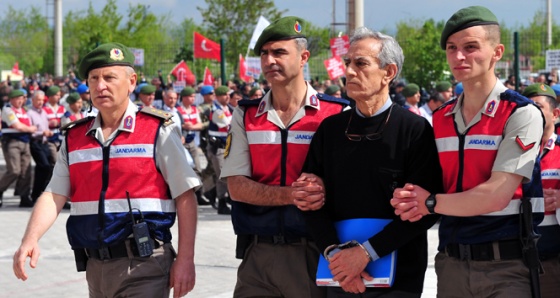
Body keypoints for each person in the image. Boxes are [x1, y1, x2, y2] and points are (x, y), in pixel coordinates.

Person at [13, 42, 200, 298]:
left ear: (131, 82)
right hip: (95, 268)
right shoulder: (75, 136)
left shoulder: (158, 130)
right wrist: (30, 239)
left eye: (110, 77)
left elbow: (185, 196)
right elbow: (54, 194)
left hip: (146, 265)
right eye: (94, 78)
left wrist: (186, 260)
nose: (101, 86)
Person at [391, 6, 545, 297]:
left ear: (497, 52)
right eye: (452, 48)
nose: (459, 56)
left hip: (507, 268)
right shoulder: (440, 117)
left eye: (470, 47)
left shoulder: (521, 113)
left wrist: (430, 203)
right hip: (450, 265)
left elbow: (496, 196)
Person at [294, 26, 442, 297]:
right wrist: (336, 256)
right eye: (347, 63)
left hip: (399, 276)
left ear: (389, 72)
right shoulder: (330, 130)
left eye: (361, 63)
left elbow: (424, 209)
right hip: (338, 273)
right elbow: (310, 200)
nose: (349, 71)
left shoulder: (415, 130)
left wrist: (365, 254)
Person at [220, 16, 349, 297]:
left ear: (303, 57)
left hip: (317, 251)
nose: (269, 61)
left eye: (279, 52)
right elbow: (236, 187)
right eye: (264, 53)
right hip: (256, 254)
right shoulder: (246, 114)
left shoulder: (338, 113)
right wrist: (291, 195)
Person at [521, 83, 560, 297]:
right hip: (512, 265)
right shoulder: (510, 150)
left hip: (552, 262)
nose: (530, 113)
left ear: (555, 114)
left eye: (537, 107)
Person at [0, 89, 37, 208]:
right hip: (12, 142)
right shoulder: (8, 110)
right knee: (14, 170)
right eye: (19, 98)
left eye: (23, 98)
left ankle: (24, 196)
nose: (21, 101)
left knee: (26, 171)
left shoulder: (24, 110)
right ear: (12, 99)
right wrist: (30, 129)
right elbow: (17, 125)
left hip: (25, 142)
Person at [177, 87, 210, 206]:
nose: (193, 99)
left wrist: (192, 127)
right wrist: (183, 125)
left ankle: (198, 194)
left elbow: (202, 124)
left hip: (193, 142)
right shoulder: (178, 110)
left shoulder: (196, 109)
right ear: (184, 98)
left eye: (193, 97)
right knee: (182, 170)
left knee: (197, 168)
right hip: (181, 143)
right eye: (190, 97)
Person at [26, 90, 55, 203]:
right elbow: (31, 131)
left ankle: (41, 193)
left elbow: (45, 127)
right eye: (38, 100)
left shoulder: (43, 112)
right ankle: (36, 193)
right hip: (36, 142)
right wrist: (41, 133)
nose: (40, 102)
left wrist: (49, 130)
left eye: (42, 100)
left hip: (45, 142)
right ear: (33, 100)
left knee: (48, 168)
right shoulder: (30, 113)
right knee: (44, 166)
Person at [207, 86, 233, 215]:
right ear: (217, 96)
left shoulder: (227, 108)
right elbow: (229, 125)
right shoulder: (217, 110)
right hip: (218, 147)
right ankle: (221, 202)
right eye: (224, 95)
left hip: (227, 147)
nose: (228, 97)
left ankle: (212, 192)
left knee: (224, 175)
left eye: (228, 94)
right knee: (223, 176)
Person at [43, 85, 65, 162]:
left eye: (59, 95)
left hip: (61, 138)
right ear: (50, 96)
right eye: (57, 95)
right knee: (55, 161)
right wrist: (49, 123)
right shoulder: (44, 109)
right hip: (50, 139)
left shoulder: (62, 108)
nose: (59, 97)